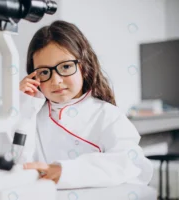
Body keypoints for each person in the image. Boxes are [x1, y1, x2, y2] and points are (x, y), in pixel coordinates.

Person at [18, 20, 153, 189]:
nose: (56, 80)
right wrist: (24, 107)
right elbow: (17, 164)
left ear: (84, 67)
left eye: (66, 66)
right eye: (44, 72)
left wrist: (65, 172)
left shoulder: (106, 115)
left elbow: (132, 162)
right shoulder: (31, 115)